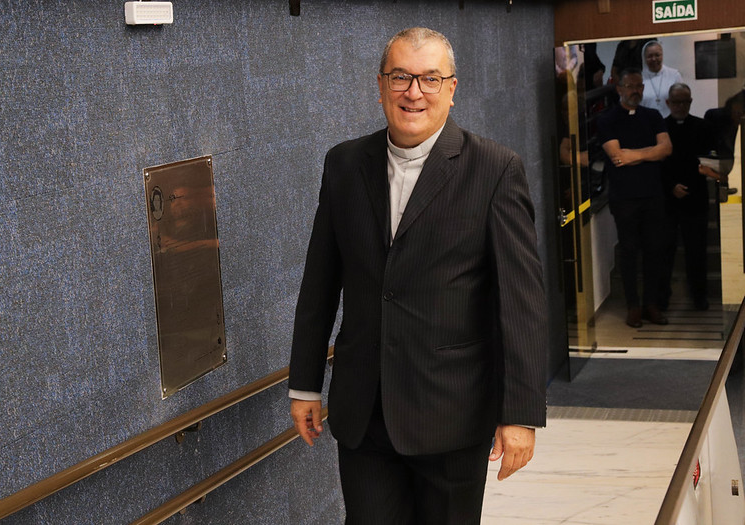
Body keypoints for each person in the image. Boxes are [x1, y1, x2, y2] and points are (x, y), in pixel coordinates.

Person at [288, 27, 547, 524]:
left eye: (430, 79)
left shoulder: (494, 169)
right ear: (380, 85)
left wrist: (520, 414)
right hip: (364, 413)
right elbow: (320, 279)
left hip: (452, 413)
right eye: (402, 76)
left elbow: (521, 304)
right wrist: (305, 384)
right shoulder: (343, 164)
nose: (414, 92)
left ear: (452, 89)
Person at [597, 68, 673, 328]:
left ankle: (651, 305)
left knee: (655, 251)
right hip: (625, 198)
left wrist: (635, 155)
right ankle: (633, 306)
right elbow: (618, 157)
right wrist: (650, 152)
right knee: (629, 252)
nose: (636, 90)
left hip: (653, 195)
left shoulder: (652, 116)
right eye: (630, 85)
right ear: (619, 88)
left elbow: (667, 149)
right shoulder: (607, 119)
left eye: (639, 85)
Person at [660, 83, 719, 311]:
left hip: (696, 198)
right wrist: (671, 186)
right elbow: (659, 165)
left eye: (685, 101)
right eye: (676, 102)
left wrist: (689, 185)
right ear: (668, 103)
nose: (680, 106)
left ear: (691, 102)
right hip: (668, 200)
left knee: (697, 252)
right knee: (665, 251)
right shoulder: (661, 128)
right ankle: (662, 298)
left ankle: (699, 296)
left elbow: (708, 163)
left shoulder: (704, 127)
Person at [640, 40, 683, 118]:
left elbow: (682, 100)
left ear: (662, 55)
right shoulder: (639, 78)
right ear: (644, 58)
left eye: (657, 55)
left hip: (670, 121)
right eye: (650, 56)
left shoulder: (674, 75)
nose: (654, 59)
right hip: (646, 122)